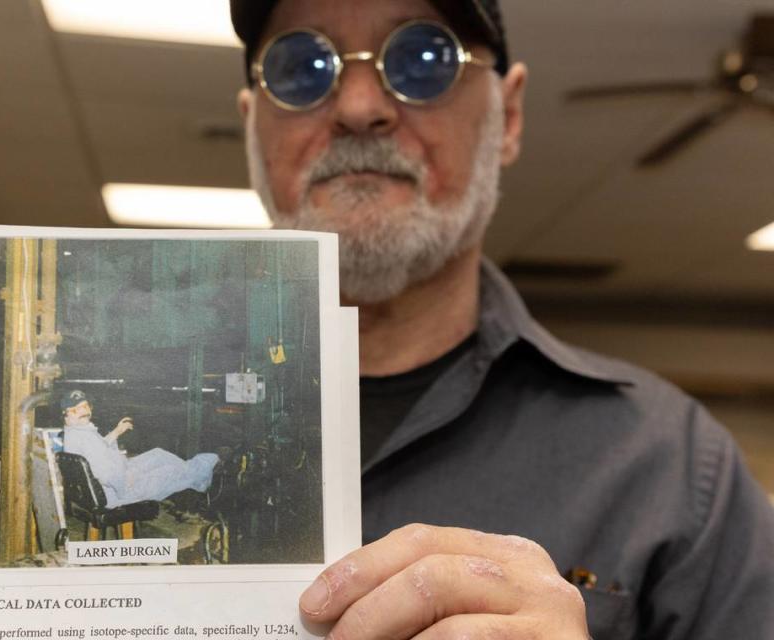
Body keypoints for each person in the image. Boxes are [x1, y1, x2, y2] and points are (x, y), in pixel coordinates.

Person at [230, 0, 774, 638]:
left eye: (422, 60)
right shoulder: (113, 405)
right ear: (251, 125)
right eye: (303, 68)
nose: (357, 107)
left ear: (509, 116)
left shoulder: (673, 468)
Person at [60, 390, 219, 507]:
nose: (84, 411)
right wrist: (128, 479)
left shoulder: (76, 432)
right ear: (65, 414)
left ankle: (198, 475)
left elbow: (98, 450)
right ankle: (210, 467)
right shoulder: (83, 436)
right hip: (118, 491)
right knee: (170, 472)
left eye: (86, 406)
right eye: (76, 409)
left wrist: (116, 432)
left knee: (159, 455)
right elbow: (106, 474)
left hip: (117, 478)